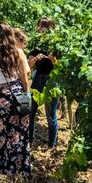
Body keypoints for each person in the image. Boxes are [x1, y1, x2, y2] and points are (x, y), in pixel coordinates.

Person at [0, 23, 31, 179]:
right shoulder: (19, 53)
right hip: (16, 95)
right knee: (17, 133)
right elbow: (24, 78)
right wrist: (26, 94)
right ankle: (15, 170)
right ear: (11, 36)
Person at [28, 17, 58, 148]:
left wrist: (53, 59)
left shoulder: (57, 45)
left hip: (52, 81)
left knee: (51, 116)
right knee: (31, 112)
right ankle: (29, 140)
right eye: (39, 26)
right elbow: (28, 66)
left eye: (41, 27)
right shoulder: (36, 44)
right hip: (37, 78)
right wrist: (35, 59)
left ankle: (52, 144)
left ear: (49, 28)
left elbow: (62, 67)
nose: (38, 29)